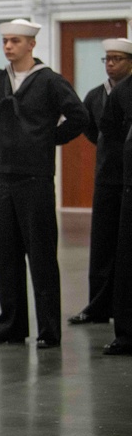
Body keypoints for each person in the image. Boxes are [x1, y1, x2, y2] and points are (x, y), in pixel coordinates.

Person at [0, 19, 88, 348]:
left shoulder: (49, 81)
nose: (8, 47)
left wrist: (48, 139)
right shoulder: (0, 80)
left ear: (31, 44)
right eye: (5, 41)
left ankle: (48, 329)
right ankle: (11, 326)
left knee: (41, 254)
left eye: (15, 41)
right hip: (4, 174)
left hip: (36, 177)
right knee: (7, 253)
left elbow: (79, 117)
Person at [68, 38, 132, 326]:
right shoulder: (95, 95)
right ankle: (98, 306)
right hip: (107, 177)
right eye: (107, 59)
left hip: (129, 177)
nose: (110, 64)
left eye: (117, 58)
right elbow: (91, 130)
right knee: (103, 244)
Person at [99, 71, 132, 355]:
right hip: (130, 186)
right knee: (127, 263)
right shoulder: (123, 92)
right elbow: (109, 131)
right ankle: (127, 334)